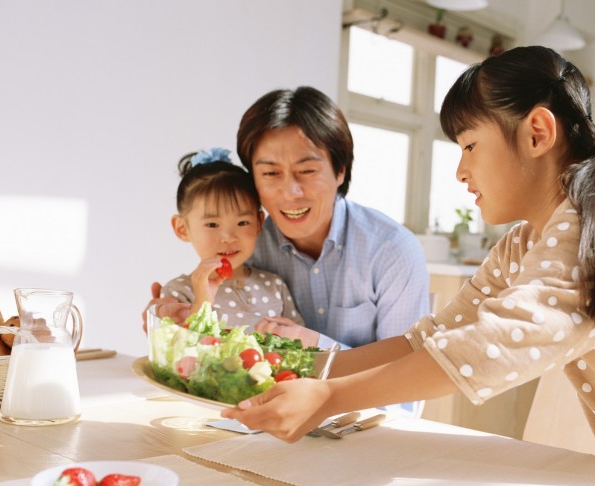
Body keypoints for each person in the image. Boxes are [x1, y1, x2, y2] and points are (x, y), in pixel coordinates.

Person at [221, 46, 595, 486]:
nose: (460, 171)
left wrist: (327, 397)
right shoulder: (525, 241)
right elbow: (433, 337)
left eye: (469, 145)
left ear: (538, 133)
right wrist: (306, 370)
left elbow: (488, 346)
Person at [148, 88, 430, 352]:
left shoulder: (392, 250)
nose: (290, 192)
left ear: (340, 170)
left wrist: (315, 345)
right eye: (270, 173)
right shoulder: (244, 243)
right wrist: (168, 320)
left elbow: (404, 365)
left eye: (307, 171)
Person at [160, 148, 304, 329]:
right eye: (212, 224)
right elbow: (178, 345)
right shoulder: (179, 292)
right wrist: (202, 301)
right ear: (182, 228)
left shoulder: (274, 285)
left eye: (242, 222)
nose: (228, 238)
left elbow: (304, 341)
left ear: (259, 223)